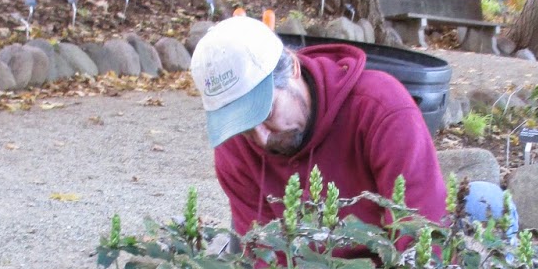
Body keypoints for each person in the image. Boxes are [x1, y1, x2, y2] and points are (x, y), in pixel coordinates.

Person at [191, 15, 448, 237]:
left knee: (483, 199)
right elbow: (265, 258)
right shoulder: (232, 148)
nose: (261, 138)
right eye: (243, 125)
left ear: (292, 67)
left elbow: (420, 231)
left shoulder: (382, 108)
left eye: (265, 112)